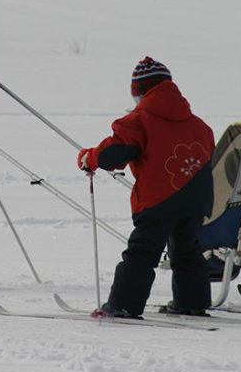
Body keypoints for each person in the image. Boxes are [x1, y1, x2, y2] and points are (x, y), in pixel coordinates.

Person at [77, 56, 215, 317]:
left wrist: (89, 158)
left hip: (160, 199)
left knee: (142, 253)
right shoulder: (199, 125)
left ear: (139, 93)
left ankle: (123, 306)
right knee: (187, 251)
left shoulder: (140, 121)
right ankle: (192, 303)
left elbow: (113, 155)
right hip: (197, 199)